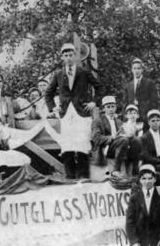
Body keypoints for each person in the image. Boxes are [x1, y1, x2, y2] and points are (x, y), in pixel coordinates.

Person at [45, 43, 103, 179]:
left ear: (75, 56)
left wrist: (94, 102)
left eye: (71, 55)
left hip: (82, 113)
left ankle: (83, 176)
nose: (69, 58)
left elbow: (99, 88)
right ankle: (70, 176)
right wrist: (53, 108)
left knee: (82, 142)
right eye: (66, 55)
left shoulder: (84, 72)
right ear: (62, 57)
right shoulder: (58, 74)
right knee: (67, 143)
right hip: (66, 114)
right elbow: (48, 94)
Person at [91, 96, 132, 177]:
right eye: (108, 107)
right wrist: (112, 137)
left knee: (135, 140)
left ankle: (134, 171)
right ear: (104, 109)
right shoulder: (98, 121)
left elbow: (124, 136)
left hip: (118, 146)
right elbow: (96, 138)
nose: (111, 109)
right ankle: (116, 170)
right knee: (123, 140)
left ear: (116, 107)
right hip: (105, 148)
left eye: (113, 106)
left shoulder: (119, 121)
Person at [122, 58, 159, 130]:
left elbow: (154, 102)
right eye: (134, 68)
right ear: (132, 70)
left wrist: (148, 116)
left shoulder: (149, 83)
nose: (136, 71)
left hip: (146, 119)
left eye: (138, 68)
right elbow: (125, 104)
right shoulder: (128, 86)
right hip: (132, 120)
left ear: (142, 70)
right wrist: (125, 119)